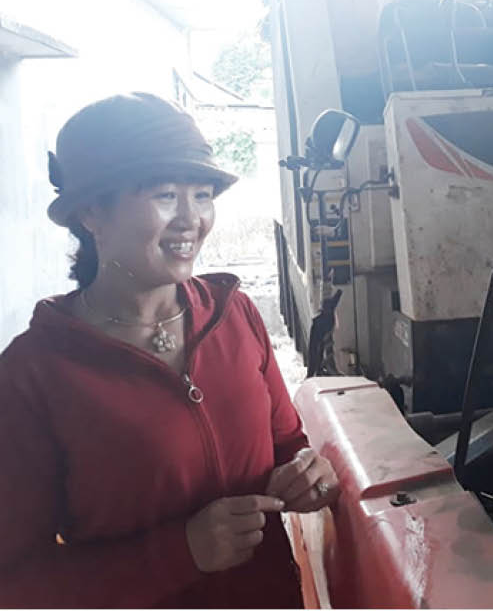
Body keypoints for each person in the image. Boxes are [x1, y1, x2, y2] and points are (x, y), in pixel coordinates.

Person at [0, 92, 338, 607]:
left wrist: (309, 472)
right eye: (164, 195)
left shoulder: (235, 315)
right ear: (92, 212)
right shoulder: (35, 373)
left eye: (202, 195)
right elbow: (17, 583)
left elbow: (287, 443)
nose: (191, 219)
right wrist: (181, 554)